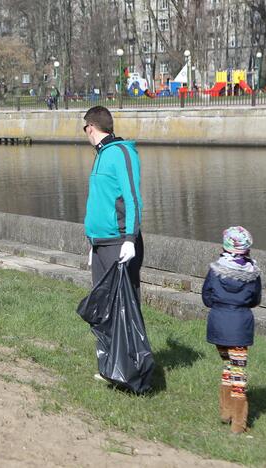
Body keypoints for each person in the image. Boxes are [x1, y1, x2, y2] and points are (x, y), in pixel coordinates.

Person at [82, 106, 144, 380]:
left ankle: (131, 365)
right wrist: (91, 244)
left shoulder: (121, 153)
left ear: (91, 128)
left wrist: (130, 239)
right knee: (103, 304)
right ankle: (109, 364)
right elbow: (100, 202)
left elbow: (132, 198)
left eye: (85, 129)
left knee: (124, 305)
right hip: (101, 244)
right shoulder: (100, 156)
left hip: (119, 242)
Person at [202, 226, 261, 434]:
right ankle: (238, 422)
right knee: (238, 372)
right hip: (240, 325)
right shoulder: (252, 273)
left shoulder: (215, 270)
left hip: (218, 324)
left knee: (227, 364)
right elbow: (255, 299)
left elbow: (206, 297)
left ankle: (226, 411)